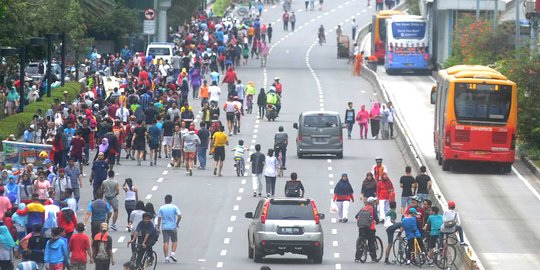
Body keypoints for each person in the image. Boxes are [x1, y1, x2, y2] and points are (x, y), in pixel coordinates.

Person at [157, 195, 182, 263]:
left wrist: (158, 227)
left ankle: (166, 258)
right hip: (173, 226)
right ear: (171, 200)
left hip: (164, 227)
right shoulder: (174, 207)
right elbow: (179, 215)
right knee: (174, 241)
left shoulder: (161, 208)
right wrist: (177, 223)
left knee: (166, 242)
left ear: (165, 200)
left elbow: (159, 218)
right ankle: (172, 253)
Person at [355, 196, 378, 262]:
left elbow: (356, 216)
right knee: (371, 242)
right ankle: (373, 258)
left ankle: (357, 257)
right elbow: (376, 218)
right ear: (372, 202)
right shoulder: (372, 209)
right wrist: (377, 221)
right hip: (370, 228)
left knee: (361, 242)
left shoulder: (363, 208)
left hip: (361, 227)